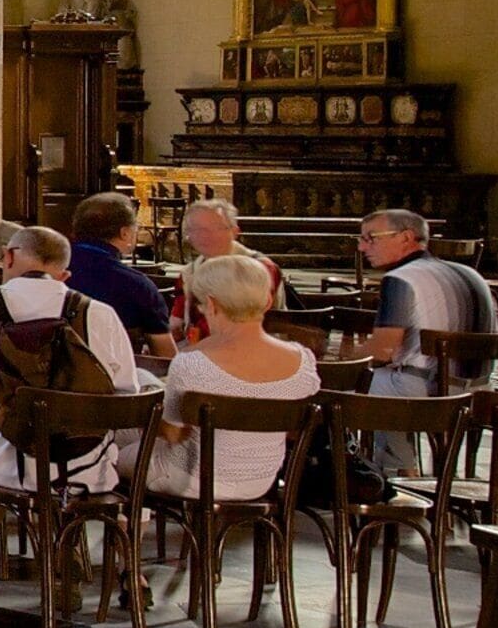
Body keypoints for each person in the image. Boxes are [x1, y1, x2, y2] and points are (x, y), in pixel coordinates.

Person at [0, 225, 139, 495]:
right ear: (64, 276)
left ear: (7, 257)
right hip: (82, 471)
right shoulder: (101, 314)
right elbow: (124, 404)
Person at [147, 255, 319, 500]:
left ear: (211, 304)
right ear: (269, 301)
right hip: (262, 480)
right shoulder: (303, 360)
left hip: (192, 479)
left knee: (116, 451)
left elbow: (174, 433)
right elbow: (294, 430)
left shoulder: (192, 362)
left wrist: (141, 414)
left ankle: (124, 530)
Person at [348, 208, 494, 397]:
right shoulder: (471, 273)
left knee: (321, 387)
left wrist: (341, 359)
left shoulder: (401, 278)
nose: (361, 247)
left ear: (406, 237)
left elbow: (383, 350)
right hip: (480, 391)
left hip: (425, 390)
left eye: (371, 238)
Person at [62, 192, 173, 361]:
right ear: (125, 233)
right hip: (111, 379)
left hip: (38, 381)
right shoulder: (137, 285)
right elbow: (165, 356)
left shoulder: (48, 270)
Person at [169, 198, 287, 346]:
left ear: (235, 231)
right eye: (197, 229)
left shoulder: (258, 268)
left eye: (216, 228)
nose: (206, 236)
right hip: (199, 350)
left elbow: (242, 325)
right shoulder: (189, 273)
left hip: (253, 352)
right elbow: (177, 323)